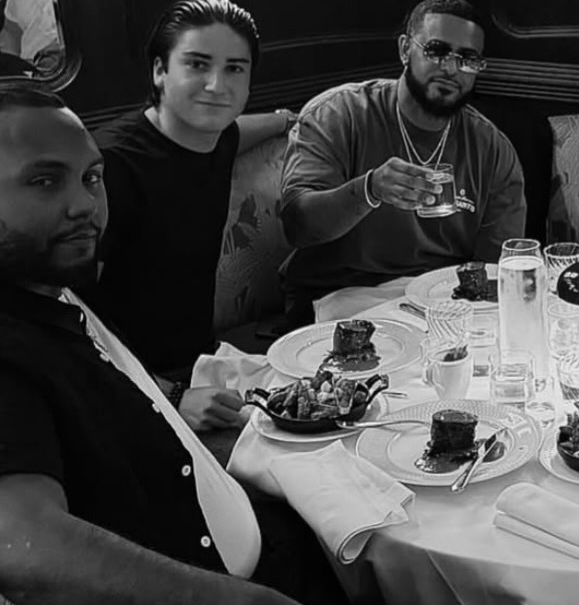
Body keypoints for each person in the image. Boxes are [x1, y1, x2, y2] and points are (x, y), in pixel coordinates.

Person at [0, 87, 339, 605]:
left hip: (259, 537)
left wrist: (175, 393)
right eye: (44, 181)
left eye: (92, 177)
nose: (84, 205)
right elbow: (25, 549)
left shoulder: (48, 283)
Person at [79, 0, 297, 432]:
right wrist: (172, 396)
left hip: (201, 365)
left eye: (234, 68)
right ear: (160, 71)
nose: (217, 85)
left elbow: (235, 131)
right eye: (197, 65)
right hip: (119, 392)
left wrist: (285, 119)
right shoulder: (111, 168)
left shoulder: (218, 137)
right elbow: (69, 318)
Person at [280, 0, 526, 321]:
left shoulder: (492, 148)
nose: (451, 69)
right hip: (337, 299)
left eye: (467, 58)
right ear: (405, 49)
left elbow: (496, 268)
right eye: (436, 51)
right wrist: (369, 190)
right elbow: (299, 226)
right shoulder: (339, 114)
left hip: (441, 306)